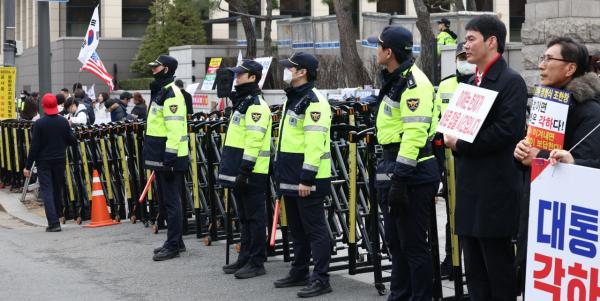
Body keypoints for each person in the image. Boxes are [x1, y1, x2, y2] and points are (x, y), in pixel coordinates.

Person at [443, 15, 527, 301]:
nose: (465, 45)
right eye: (465, 39)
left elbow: (506, 130)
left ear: (492, 41)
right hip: (469, 187)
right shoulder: (470, 81)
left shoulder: (510, 81)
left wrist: (461, 143)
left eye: (471, 38)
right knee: (475, 271)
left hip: (495, 189)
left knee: (498, 270)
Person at [512, 38, 600, 293]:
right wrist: (521, 154)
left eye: (549, 59)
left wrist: (544, 156)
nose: (541, 65)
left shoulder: (590, 112)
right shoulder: (549, 105)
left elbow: (585, 169)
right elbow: (532, 157)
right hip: (539, 218)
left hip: (569, 233)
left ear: (570, 68)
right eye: (541, 58)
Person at [367, 26, 439, 301]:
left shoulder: (414, 83)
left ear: (389, 52)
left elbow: (414, 134)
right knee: (395, 243)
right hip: (394, 166)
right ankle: (400, 295)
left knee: (412, 245)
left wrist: (400, 179)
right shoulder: (395, 78)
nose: (376, 51)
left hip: (412, 171)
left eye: (379, 46)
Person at [273, 52, 333, 298]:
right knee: (297, 229)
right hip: (290, 174)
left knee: (315, 229)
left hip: (307, 178)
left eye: (291, 68)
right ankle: (299, 270)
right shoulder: (294, 98)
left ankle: (321, 278)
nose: (288, 71)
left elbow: (315, 142)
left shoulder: (314, 100)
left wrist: (307, 178)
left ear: (302, 72)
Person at [218, 59, 271, 279]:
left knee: (256, 218)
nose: (236, 78)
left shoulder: (256, 105)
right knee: (245, 217)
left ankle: (257, 262)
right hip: (240, 170)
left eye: (240, 75)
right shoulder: (243, 102)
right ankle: (245, 257)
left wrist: (245, 170)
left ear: (253, 77)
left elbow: (254, 141)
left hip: (252, 172)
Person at [431, 41, 476, 279]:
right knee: (452, 213)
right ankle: (452, 259)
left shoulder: (481, 83)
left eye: (467, 57)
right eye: (461, 58)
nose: (465, 62)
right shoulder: (446, 85)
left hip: (472, 155)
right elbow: (436, 121)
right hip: (448, 158)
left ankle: (470, 261)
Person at [144, 54, 189, 261]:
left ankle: (173, 245)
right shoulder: (162, 91)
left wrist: (169, 156)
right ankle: (176, 241)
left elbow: (175, 128)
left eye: (157, 67)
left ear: (167, 70)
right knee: (167, 200)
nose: (153, 69)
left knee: (172, 202)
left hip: (170, 156)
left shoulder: (172, 94)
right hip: (162, 154)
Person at [23, 94, 77, 232]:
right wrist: (69, 129)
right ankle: (59, 214)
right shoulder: (63, 122)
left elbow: (34, 147)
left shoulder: (39, 124)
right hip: (60, 160)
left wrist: (28, 166)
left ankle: (53, 223)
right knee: (57, 188)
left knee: (47, 191)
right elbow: (72, 141)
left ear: (43, 106)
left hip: (44, 162)